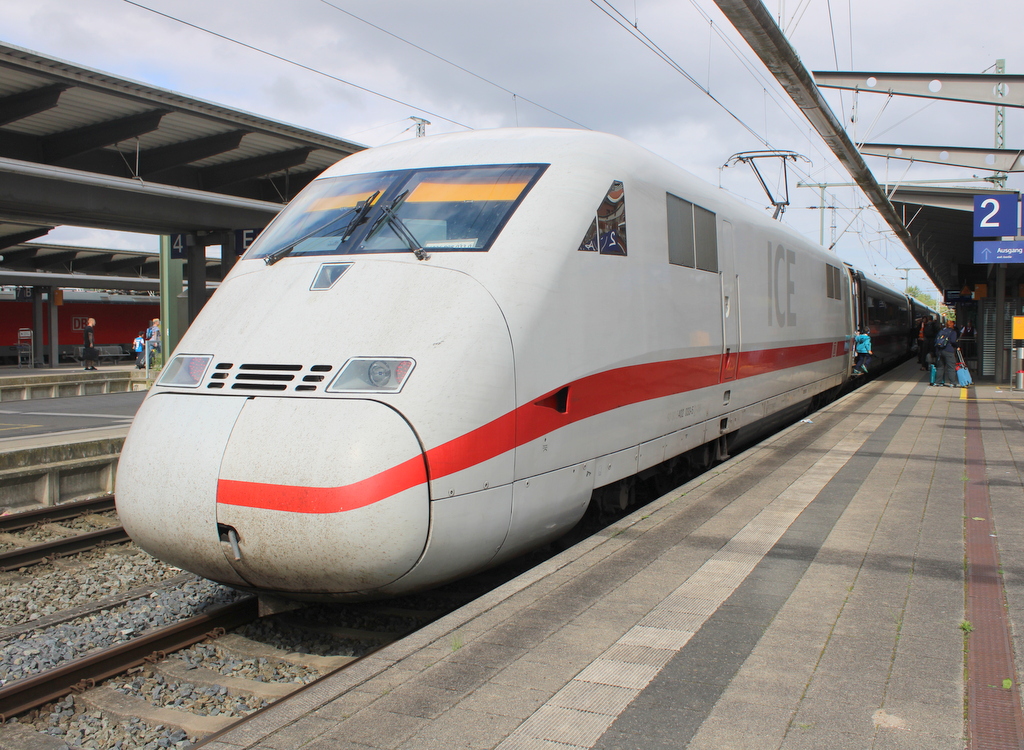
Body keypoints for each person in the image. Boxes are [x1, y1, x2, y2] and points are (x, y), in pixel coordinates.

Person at [931, 318, 960, 387]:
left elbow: (935, 341)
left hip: (940, 351)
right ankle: (952, 383)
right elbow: (953, 341)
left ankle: (937, 382)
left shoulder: (941, 331)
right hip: (948, 351)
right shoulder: (953, 332)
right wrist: (957, 346)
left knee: (940, 367)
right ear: (952, 325)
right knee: (951, 367)